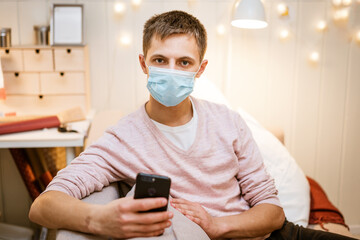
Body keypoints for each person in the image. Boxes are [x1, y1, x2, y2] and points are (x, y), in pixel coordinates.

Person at [29, 10, 356, 240]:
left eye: (184, 62)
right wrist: (101, 219)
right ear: (144, 64)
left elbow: (271, 213)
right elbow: (43, 206)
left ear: (200, 69)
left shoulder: (228, 122)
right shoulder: (121, 139)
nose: (172, 70)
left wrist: (216, 225)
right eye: (160, 60)